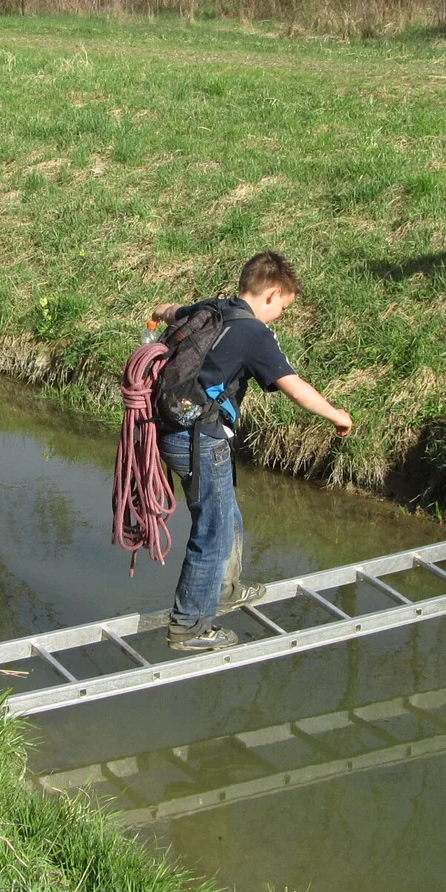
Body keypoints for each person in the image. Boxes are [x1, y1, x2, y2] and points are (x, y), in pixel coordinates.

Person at [152, 252, 352, 653]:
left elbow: (171, 311)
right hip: (201, 441)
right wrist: (336, 415)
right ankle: (189, 626)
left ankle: (223, 589)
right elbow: (293, 386)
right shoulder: (252, 332)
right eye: (284, 307)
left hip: (176, 431)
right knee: (213, 531)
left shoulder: (213, 309)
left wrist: (157, 312)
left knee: (227, 515)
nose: (280, 315)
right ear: (273, 293)